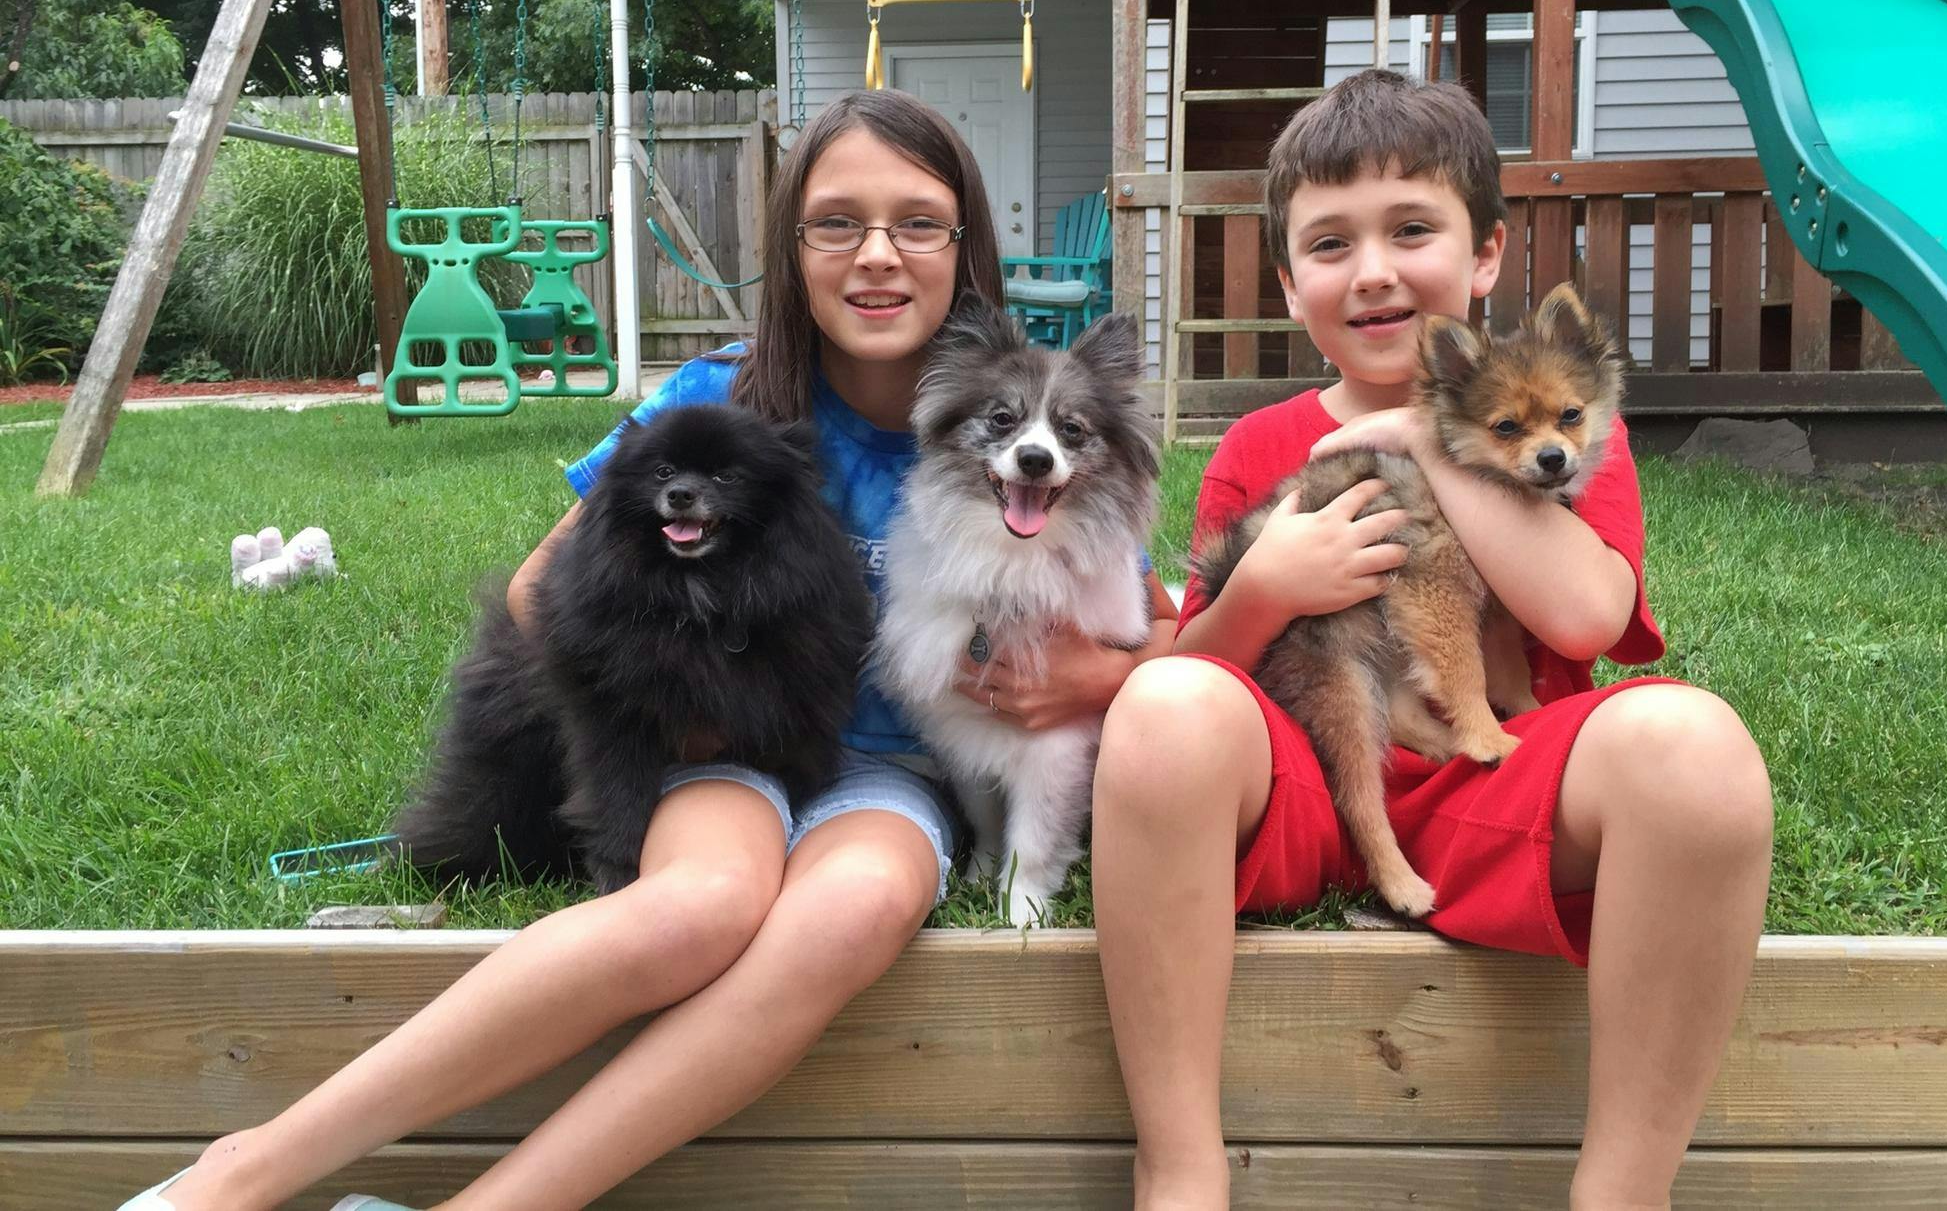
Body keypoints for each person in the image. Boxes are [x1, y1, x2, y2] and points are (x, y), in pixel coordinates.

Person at [129, 89, 1179, 1211]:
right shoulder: (719, 396)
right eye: (836, 223)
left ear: (964, 245)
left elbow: (1156, 625)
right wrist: (663, 704)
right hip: (734, 754)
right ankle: (243, 1170)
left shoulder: (1037, 439)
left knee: (853, 909)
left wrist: (1102, 674)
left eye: (917, 223)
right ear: (790, 247)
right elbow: (545, 593)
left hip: (906, 775)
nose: (877, 255)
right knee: (695, 906)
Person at [1090, 69, 1774, 1211]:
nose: (1371, 271)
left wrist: (1434, 434)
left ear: (1486, 256)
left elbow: (1584, 620)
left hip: (1486, 796)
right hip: (1304, 792)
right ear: (1286, 282)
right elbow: (1191, 676)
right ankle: (1178, 1167)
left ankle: (1622, 1192)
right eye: (1328, 244)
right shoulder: (1261, 444)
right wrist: (1262, 588)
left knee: (1696, 751)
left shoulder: (1550, 423)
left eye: (1410, 229)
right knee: (1158, 711)